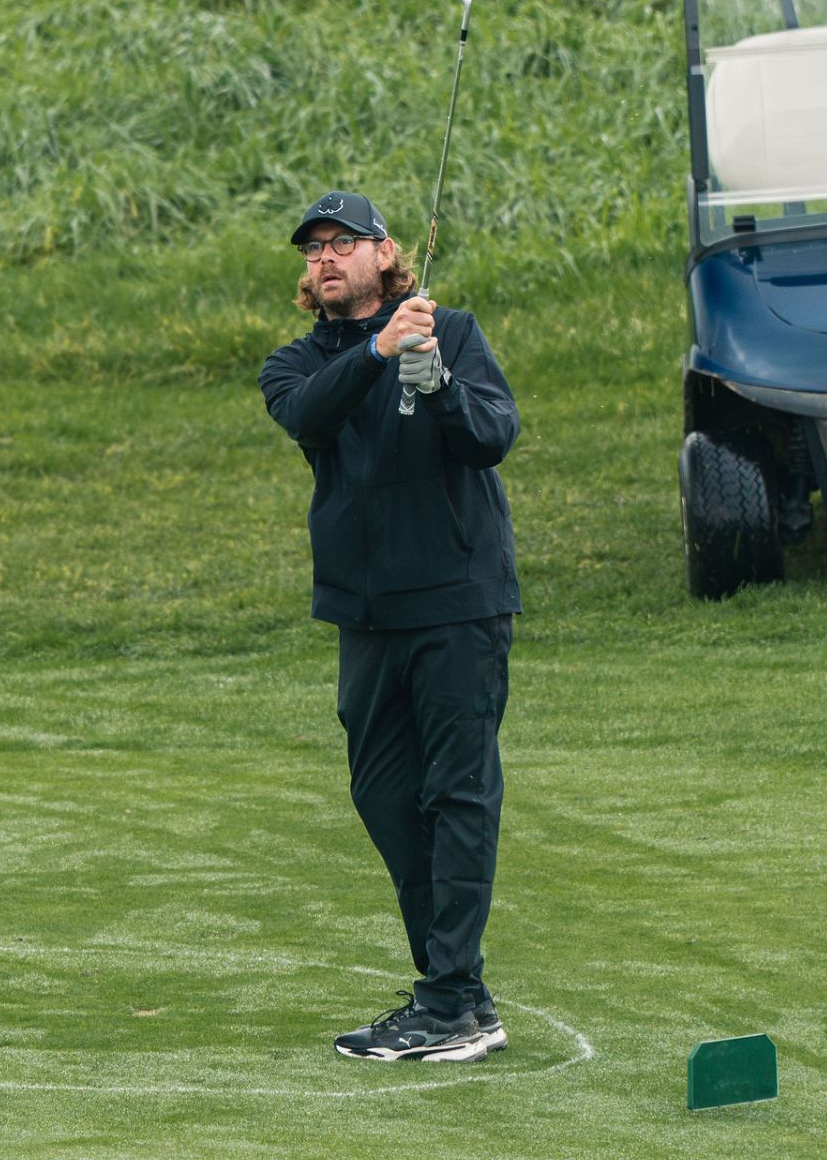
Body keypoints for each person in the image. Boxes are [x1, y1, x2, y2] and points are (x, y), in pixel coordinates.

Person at [259, 190, 521, 1063]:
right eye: (313, 249)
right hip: (366, 612)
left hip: (458, 599)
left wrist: (439, 385)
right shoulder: (295, 365)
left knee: (458, 794)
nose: (325, 258)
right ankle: (461, 994)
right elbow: (308, 416)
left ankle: (448, 998)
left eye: (343, 242)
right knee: (381, 793)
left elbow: (493, 435)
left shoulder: (454, 333)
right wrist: (378, 351)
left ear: (385, 252)